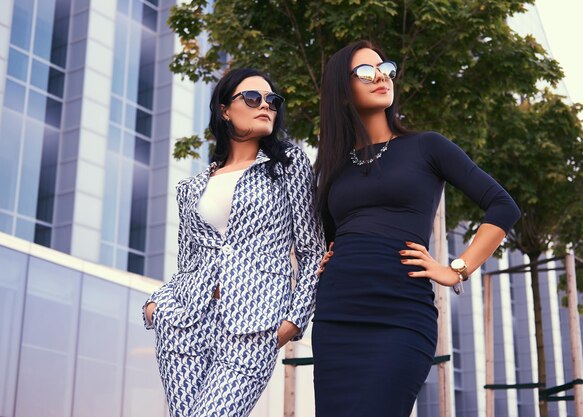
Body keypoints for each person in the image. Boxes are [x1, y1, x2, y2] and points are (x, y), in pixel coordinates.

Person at [312, 40, 521, 417]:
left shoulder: (427, 147)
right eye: (365, 71)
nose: (381, 77)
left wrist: (455, 268)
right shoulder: (333, 166)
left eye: (385, 68)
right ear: (342, 93)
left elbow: (503, 205)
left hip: (400, 313)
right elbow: (329, 235)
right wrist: (327, 259)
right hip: (337, 317)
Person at [142, 68, 324, 417]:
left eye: (272, 100)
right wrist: (158, 305)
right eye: (253, 98)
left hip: (253, 327)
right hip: (184, 325)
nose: (265, 106)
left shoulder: (288, 165)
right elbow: (188, 263)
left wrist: (293, 321)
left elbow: (311, 250)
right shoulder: (191, 188)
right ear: (225, 110)